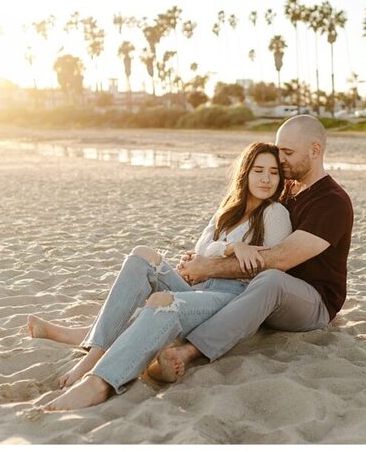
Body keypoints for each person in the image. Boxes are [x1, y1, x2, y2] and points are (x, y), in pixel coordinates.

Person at [28, 142, 292, 411]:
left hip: (231, 297)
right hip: (200, 285)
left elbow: (268, 264)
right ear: (245, 173)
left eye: (273, 173)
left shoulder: (275, 213)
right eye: (258, 170)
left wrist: (214, 258)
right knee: (142, 256)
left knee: (164, 301)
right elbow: (200, 251)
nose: (266, 179)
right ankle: (95, 353)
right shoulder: (228, 210)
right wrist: (231, 247)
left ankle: (99, 383)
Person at [147, 115, 353, 385]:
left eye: (288, 153)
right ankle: (126, 331)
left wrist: (208, 267)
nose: (280, 160)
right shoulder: (286, 187)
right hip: (257, 292)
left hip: (312, 302)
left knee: (272, 280)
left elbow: (280, 259)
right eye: (279, 150)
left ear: (315, 151)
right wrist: (207, 256)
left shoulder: (332, 202)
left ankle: (188, 351)